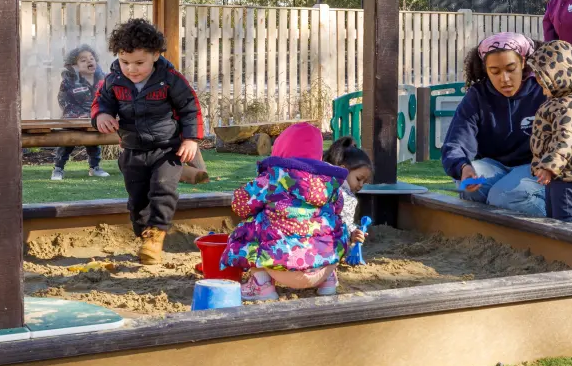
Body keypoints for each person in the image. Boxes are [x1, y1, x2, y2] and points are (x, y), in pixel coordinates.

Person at [91, 18, 205, 265]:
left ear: (155, 55)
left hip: (167, 148)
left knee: (163, 187)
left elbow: (190, 108)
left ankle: (156, 233)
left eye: (139, 63)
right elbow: (101, 102)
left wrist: (191, 139)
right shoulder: (113, 80)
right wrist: (102, 114)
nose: (131, 69)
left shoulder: (170, 79)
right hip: (133, 148)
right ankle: (144, 232)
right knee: (137, 198)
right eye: (125, 62)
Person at [221, 123, 366, 302]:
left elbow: (240, 204)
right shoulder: (331, 183)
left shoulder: (273, 178)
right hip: (323, 266)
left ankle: (262, 285)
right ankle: (328, 281)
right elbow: (339, 209)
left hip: (281, 268)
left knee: (250, 225)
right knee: (334, 224)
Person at [440, 32, 548, 217]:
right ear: (485, 70)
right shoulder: (477, 96)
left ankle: (552, 224)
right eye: (495, 72)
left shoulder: (543, 90)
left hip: (536, 168)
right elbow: (455, 143)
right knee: (466, 186)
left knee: (505, 196)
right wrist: (464, 168)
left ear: (523, 63)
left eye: (510, 68)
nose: (504, 79)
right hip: (495, 167)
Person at [527, 40, 572, 223]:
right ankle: (555, 249)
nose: (543, 90)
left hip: (568, 174)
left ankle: (570, 250)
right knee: (552, 218)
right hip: (560, 173)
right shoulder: (560, 101)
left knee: (564, 219)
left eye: (545, 85)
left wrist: (550, 167)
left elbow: (567, 139)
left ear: (559, 78)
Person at [51, 44, 110, 180]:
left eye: (91, 58)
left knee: (93, 141)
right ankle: (58, 168)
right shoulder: (69, 82)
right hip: (73, 119)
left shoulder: (104, 80)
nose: (89, 61)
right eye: (83, 60)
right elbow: (65, 102)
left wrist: (103, 113)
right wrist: (79, 115)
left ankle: (94, 167)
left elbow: (109, 99)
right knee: (67, 142)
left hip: (95, 117)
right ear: (74, 66)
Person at [323, 135, 374, 233]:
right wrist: (356, 232)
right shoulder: (346, 196)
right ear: (343, 170)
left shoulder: (322, 183)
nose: (361, 185)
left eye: (364, 182)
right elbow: (345, 224)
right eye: (358, 179)